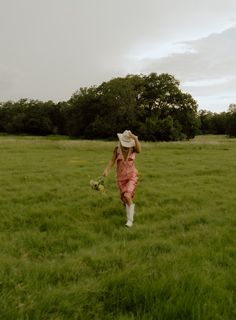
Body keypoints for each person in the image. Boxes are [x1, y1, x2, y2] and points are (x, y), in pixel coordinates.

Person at [103, 130, 141, 227]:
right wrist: (107, 170)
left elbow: (139, 150)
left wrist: (135, 138)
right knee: (124, 199)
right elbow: (112, 160)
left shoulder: (133, 148)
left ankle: (130, 221)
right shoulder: (117, 149)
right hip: (120, 178)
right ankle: (128, 205)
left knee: (127, 196)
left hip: (131, 176)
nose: (125, 146)